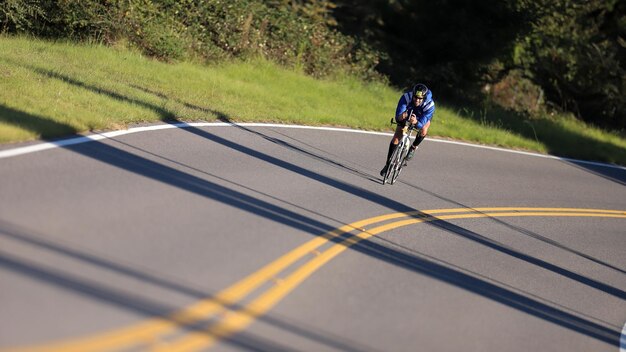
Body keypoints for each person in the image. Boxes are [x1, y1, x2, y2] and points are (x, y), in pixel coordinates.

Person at [380, 83, 435, 176]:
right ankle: (388, 164)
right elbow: (398, 116)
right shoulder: (406, 97)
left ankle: (413, 148)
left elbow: (421, 124)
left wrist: (416, 122)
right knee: (397, 137)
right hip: (408, 112)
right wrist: (401, 116)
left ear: (424, 98)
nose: (417, 100)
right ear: (412, 95)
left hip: (421, 116)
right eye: (415, 97)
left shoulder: (430, 105)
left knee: (424, 129)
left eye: (420, 99)